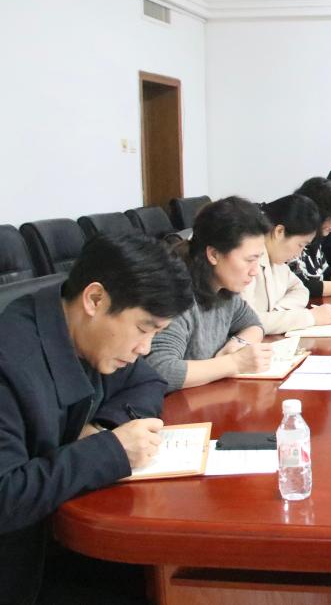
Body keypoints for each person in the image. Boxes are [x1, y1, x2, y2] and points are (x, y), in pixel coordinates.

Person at [0, 233, 194, 603]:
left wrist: (102, 427)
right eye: (143, 329)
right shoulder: (10, 359)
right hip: (24, 571)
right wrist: (108, 450)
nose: (145, 348)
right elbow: (5, 497)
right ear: (94, 299)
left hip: (61, 536)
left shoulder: (86, 333)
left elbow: (148, 381)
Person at [147, 196, 274, 391]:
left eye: (259, 259)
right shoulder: (176, 295)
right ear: (214, 255)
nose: (255, 271)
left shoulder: (224, 289)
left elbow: (253, 324)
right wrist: (235, 363)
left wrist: (237, 344)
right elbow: (162, 371)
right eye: (249, 260)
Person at [241, 195, 331, 335]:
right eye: (300, 245)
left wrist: (277, 313)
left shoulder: (277, 261)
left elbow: (301, 290)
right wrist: (309, 317)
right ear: (279, 232)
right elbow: (248, 322)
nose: (299, 254)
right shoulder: (249, 263)